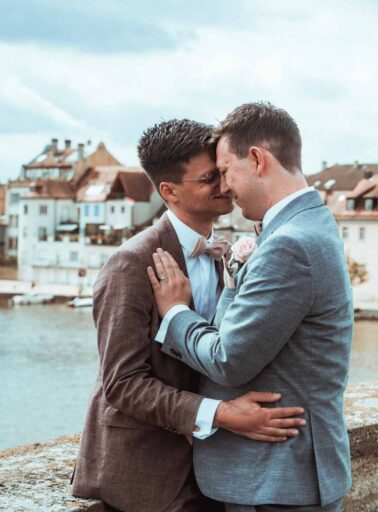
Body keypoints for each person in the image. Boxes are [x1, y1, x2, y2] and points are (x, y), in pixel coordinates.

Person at [73, 119, 305, 512]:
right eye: (208, 179)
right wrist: (224, 415)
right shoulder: (130, 264)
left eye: (223, 173)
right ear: (169, 191)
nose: (225, 185)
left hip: (217, 470)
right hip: (147, 475)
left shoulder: (226, 253)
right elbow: (123, 384)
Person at [148, 103, 353, 511]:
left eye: (225, 171)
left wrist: (176, 313)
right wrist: (230, 287)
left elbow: (228, 359)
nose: (224, 187)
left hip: (277, 478)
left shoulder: (289, 244)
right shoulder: (309, 224)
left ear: (257, 159)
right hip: (282, 475)